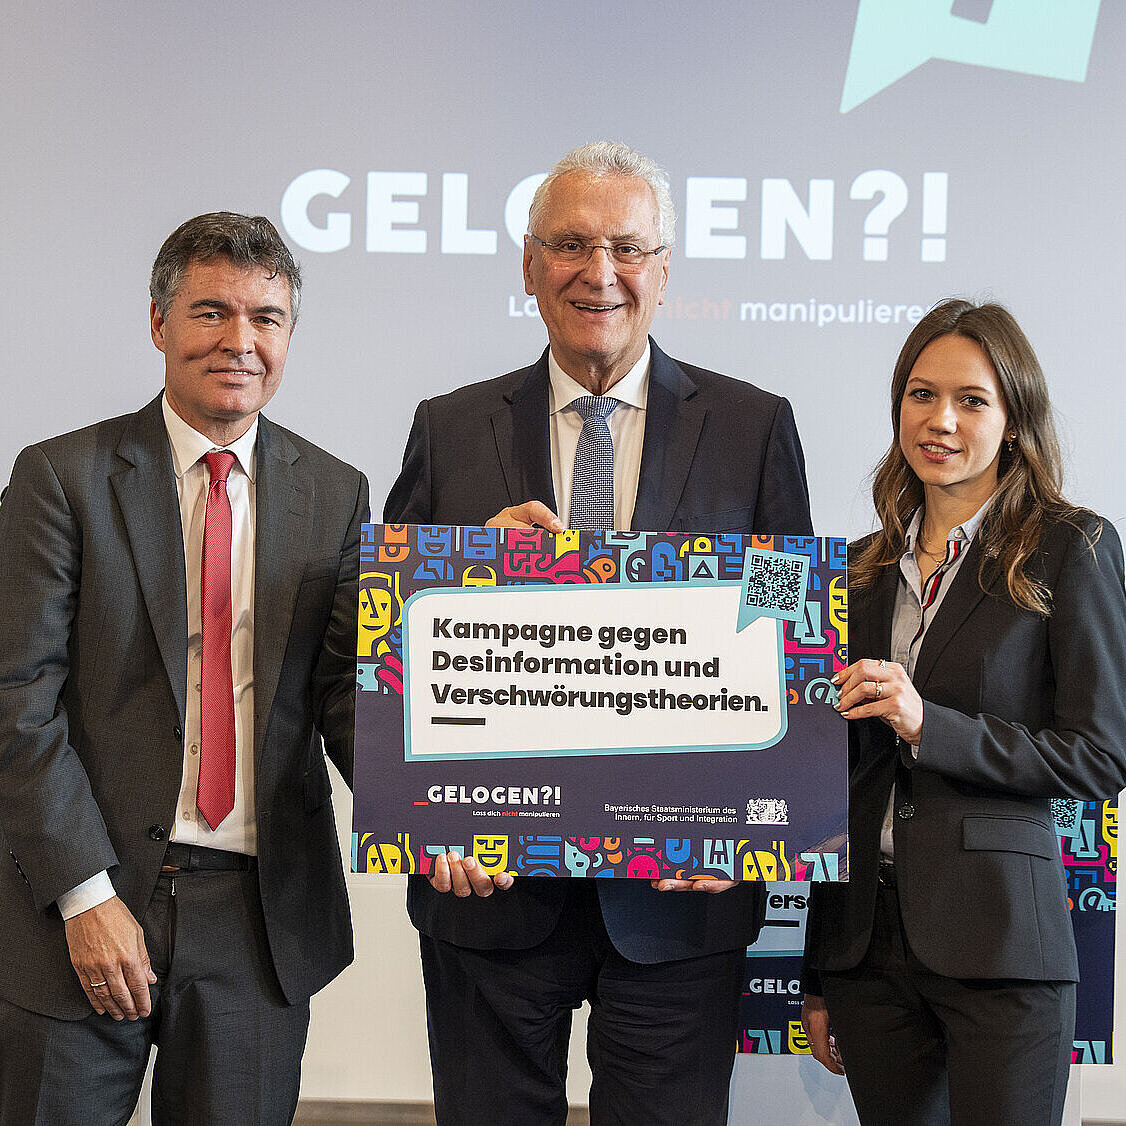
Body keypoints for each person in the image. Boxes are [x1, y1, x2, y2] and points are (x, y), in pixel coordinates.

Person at [385, 141, 813, 1126]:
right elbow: (388, 652)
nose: (600, 272)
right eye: (571, 245)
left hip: (680, 894)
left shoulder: (751, 425)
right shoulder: (449, 428)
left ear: (664, 270)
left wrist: (751, 821)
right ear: (529, 265)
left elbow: (792, 631)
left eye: (627, 246)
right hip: (488, 891)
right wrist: (455, 578)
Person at [0, 212, 368, 1124]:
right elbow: (18, 700)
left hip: (258, 918)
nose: (239, 342)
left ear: (289, 336)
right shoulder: (61, 477)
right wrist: (84, 895)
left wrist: (447, 809)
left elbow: (347, 693)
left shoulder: (337, 491)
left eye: (265, 318)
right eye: (210, 312)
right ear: (158, 322)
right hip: (80, 902)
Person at [800, 299, 1126, 1125]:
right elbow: (828, 785)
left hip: (1002, 948)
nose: (940, 420)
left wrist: (927, 724)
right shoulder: (859, 571)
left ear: (1014, 420)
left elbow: (1099, 756)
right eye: (920, 394)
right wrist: (817, 971)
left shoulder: (1071, 546)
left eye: (971, 400)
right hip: (868, 950)